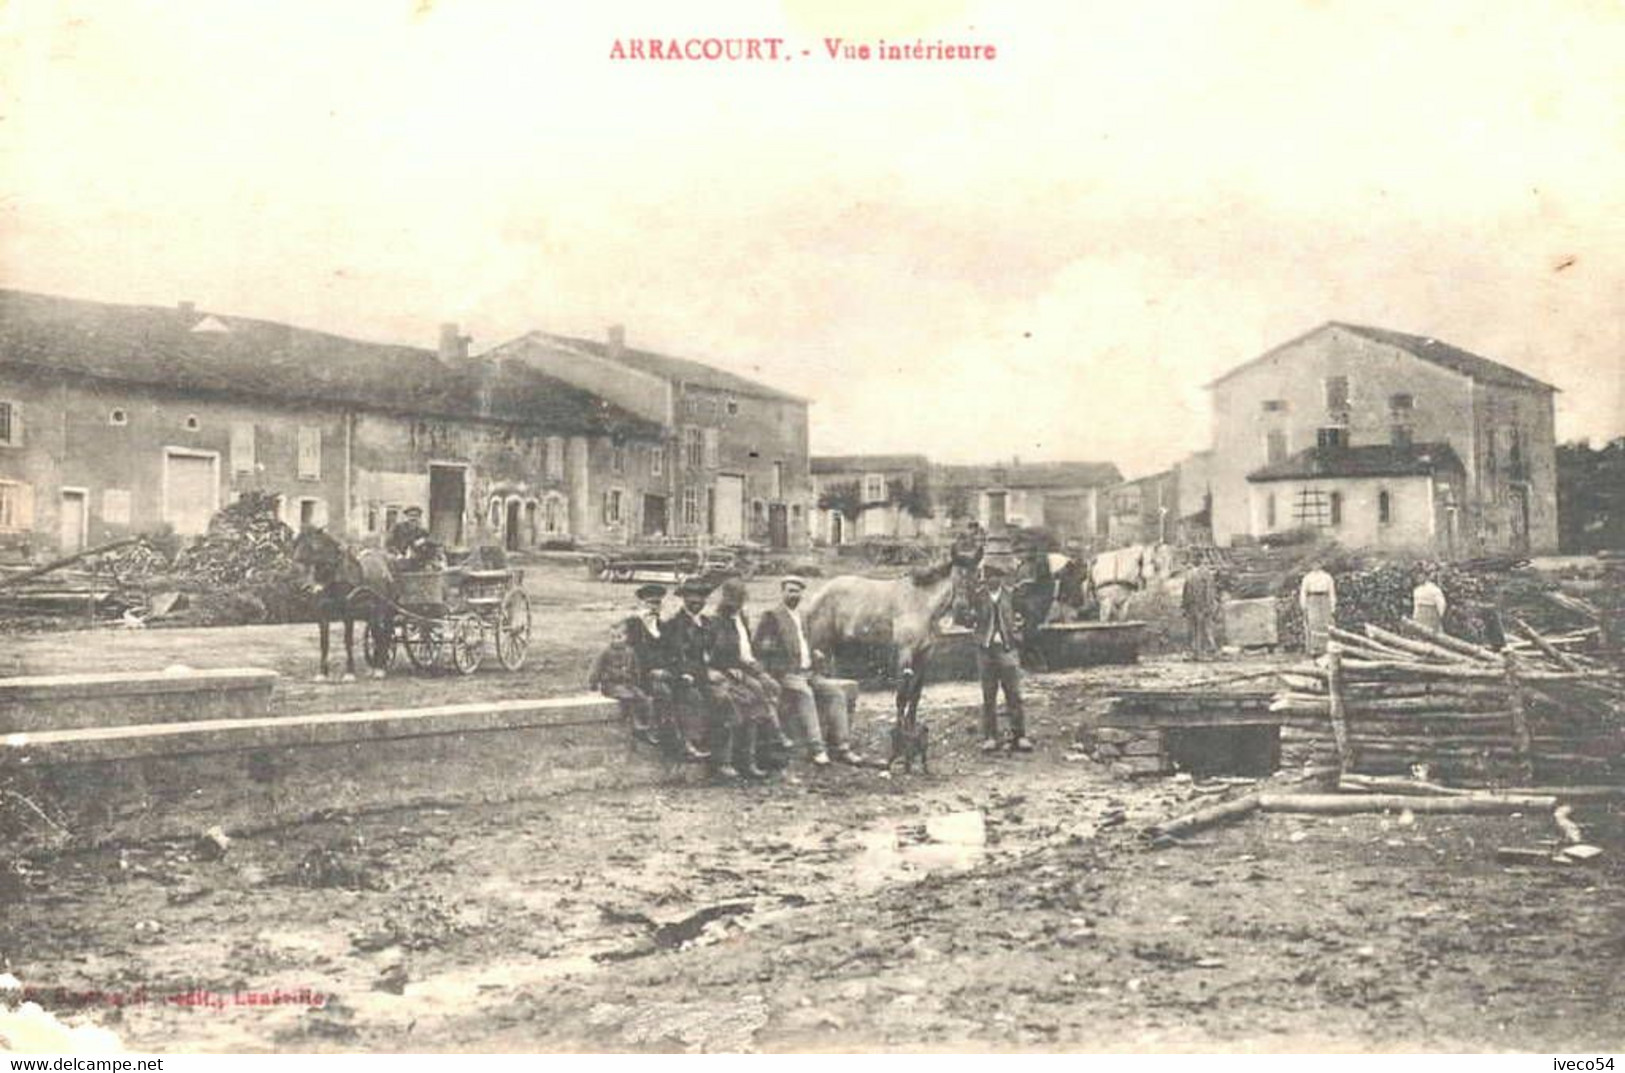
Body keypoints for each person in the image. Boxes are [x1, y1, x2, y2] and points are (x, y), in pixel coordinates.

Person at [754, 575, 864, 766]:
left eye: (798, 591)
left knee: (836, 693)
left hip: (808, 672)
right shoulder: (772, 616)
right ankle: (817, 749)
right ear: (782, 593)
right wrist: (775, 668)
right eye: (790, 591)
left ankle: (843, 747)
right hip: (787, 674)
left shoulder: (802, 616)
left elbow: (805, 643)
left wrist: (815, 655)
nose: (794, 595)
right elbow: (760, 647)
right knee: (806, 695)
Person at [707, 577, 789, 779]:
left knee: (769, 690)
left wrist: (758, 671)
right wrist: (729, 667)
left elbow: (746, 652)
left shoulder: (740, 619)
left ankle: (759, 756)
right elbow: (713, 655)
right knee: (751, 700)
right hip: (724, 673)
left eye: (740, 600)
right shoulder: (715, 622)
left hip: (742, 670)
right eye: (733, 601)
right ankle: (751, 755)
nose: (737, 605)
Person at [665, 577, 738, 780]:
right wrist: (704, 673)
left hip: (710, 676)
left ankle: (726, 759)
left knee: (730, 698)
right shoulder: (674, 625)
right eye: (691, 596)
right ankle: (710, 758)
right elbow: (677, 658)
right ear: (684, 598)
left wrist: (726, 667)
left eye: (701, 596)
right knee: (708, 699)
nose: (696, 600)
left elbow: (718, 653)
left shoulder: (708, 623)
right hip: (685, 679)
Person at [625, 583, 706, 760]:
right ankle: (677, 744)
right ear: (641, 604)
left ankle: (693, 740)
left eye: (657, 603)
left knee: (690, 692)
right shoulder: (633, 625)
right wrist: (652, 671)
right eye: (650, 603)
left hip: (665, 675)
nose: (654, 607)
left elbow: (674, 654)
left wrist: (680, 672)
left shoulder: (664, 626)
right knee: (663, 693)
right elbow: (632, 655)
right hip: (643, 677)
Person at [972, 560, 1031, 752]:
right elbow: (965, 618)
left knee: (1013, 693)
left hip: (1007, 649)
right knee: (989, 695)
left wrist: (1017, 634)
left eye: (996, 577)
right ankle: (990, 736)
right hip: (986, 650)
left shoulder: (1012, 596)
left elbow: (1024, 616)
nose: (993, 580)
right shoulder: (978, 597)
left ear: (1001, 578)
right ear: (985, 579)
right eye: (989, 577)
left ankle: (1019, 735)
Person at [588, 620, 653, 740]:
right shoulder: (605, 652)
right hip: (611, 685)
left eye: (619, 637)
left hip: (628, 684)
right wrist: (593, 683)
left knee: (643, 697)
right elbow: (596, 668)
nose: (616, 640)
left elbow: (635, 668)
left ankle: (647, 725)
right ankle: (635, 723)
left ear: (626, 637)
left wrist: (637, 681)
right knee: (628, 696)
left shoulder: (630, 651)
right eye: (613, 637)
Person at [1181, 563, 1220, 661]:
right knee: (1205, 629)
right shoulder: (1207, 576)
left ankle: (1196, 652)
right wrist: (1209, 606)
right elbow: (1209, 593)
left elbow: (1185, 594)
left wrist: (1185, 607)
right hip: (1201, 606)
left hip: (1192, 607)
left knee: (1194, 630)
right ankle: (1207, 652)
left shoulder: (1189, 575)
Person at [1299, 562, 1337, 656]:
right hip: (1312, 599)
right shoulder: (1307, 577)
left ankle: (1326, 648)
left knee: (1326, 623)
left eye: (1318, 564)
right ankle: (1314, 649)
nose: (1316, 566)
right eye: (1314, 564)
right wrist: (1303, 605)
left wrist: (1332, 606)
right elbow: (1303, 592)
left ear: (1321, 565)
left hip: (1324, 599)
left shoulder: (1327, 577)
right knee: (1313, 623)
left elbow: (1332, 592)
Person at [385, 506, 438, 571]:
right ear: (407, 517)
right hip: (398, 557)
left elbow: (433, 542)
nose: (413, 518)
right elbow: (389, 543)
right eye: (411, 516)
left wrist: (424, 540)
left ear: (419, 518)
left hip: (416, 560)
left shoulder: (422, 531)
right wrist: (398, 554)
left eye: (416, 516)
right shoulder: (398, 528)